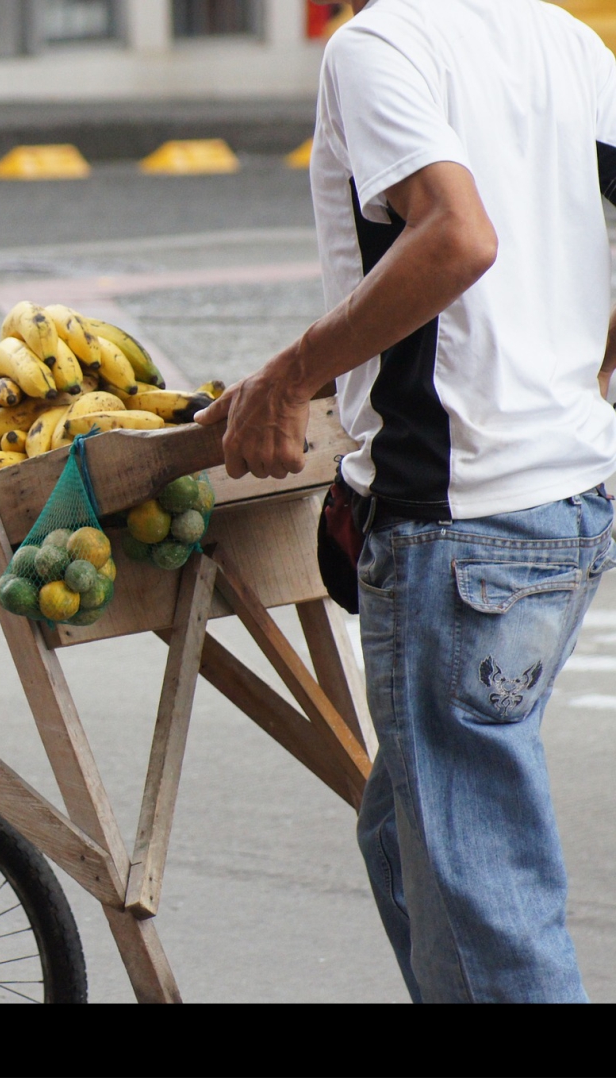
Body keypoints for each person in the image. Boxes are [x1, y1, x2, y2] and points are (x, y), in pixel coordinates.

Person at [196, 0, 616, 1002]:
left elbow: (453, 237)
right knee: (405, 833)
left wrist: (288, 373)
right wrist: (580, 385)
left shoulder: (376, 44)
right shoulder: (563, 37)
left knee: (483, 915)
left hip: (458, 523)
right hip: (570, 498)